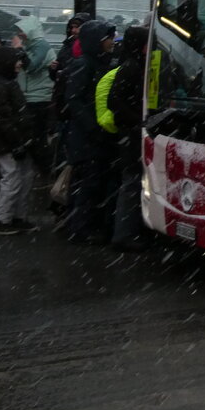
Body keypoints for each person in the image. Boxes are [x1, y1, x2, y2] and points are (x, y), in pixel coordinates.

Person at [62, 19, 117, 243]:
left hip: (89, 136)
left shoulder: (97, 62)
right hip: (86, 137)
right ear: (97, 41)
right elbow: (73, 100)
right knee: (87, 183)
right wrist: (93, 127)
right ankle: (80, 229)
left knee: (90, 182)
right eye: (108, 38)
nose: (112, 42)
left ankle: (81, 226)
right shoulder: (85, 64)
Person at [107, 25, 150, 251]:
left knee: (132, 182)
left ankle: (127, 232)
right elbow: (115, 102)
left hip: (131, 133)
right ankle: (124, 234)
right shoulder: (132, 67)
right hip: (132, 135)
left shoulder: (130, 64)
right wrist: (138, 120)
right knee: (132, 183)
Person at [12, 15, 57, 186]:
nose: (19, 34)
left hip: (39, 98)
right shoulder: (31, 46)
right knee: (33, 137)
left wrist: (19, 50)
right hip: (30, 97)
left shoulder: (41, 46)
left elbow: (31, 67)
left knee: (36, 137)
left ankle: (45, 171)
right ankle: (41, 170)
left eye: (22, 30)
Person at [0, 47, 33, 234]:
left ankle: (10, 217)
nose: (20, 64)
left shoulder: (5, 82)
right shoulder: (4, 84)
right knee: (13, 178)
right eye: (16, 60)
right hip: (8, 141)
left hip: (9, 140)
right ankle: (4, 218)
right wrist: (17, 141)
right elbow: (4, 119)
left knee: (16, 177)